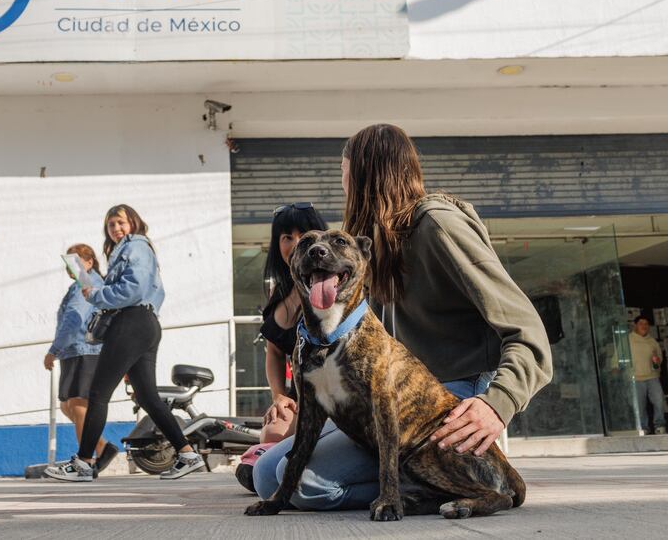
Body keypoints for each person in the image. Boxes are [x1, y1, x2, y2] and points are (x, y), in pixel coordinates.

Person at [253, 123, 553, 510]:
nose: (341, 183)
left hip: (451, 395)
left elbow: (526, 329)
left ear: (361, 173)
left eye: (343, 170)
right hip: (392, 397)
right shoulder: (371, 243)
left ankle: (430, 493)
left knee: (310, 487)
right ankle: (415, 485)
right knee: (267, 475)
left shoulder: (439, 225)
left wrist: (497, 402)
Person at [45, 204, 205, 482]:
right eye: (110, 225)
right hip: (144, 323)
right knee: (146, 396)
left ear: (133, 222)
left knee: (97, 393)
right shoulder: (130, 250)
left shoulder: (136, 247)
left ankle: (83, 464)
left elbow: (133, 289)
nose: (116, 228)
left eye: (120, 222)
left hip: (131, 323)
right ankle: (187, 454)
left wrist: (97, 294)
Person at [237, 203, 330, 492]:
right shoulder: (279, 291)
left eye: (304, 234)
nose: (295, 242)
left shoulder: (329, 286)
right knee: (272, 430)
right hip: (297, 393)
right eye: (286, 237)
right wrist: (279, 396)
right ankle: (270, 465)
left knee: (282, 439)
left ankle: (277, 469)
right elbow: (275, 351)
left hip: (330, 395)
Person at [43, 244, 119, 474]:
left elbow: (73, 319)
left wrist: (54, 350)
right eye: (67, 263)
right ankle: (102, 447)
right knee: (68, 405)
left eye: (74, 263)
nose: (70, 268)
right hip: (78, 350)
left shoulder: (85, 285)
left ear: (88, 262)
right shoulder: (83, 284)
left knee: (77, 406)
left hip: (83, 350)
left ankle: (86, 460)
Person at [629, 315, 667, 435]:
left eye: (646, 324)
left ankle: (659, 425)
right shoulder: (628, 339)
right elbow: (619, 356)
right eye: (641, 323)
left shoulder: (652, 341)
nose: (644, 326)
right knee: (640, 406)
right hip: (636, 377)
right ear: (635, 326)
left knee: (659, 402)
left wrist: (657, 361)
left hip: (653, 377)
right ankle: (643, 427)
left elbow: (659, 358)